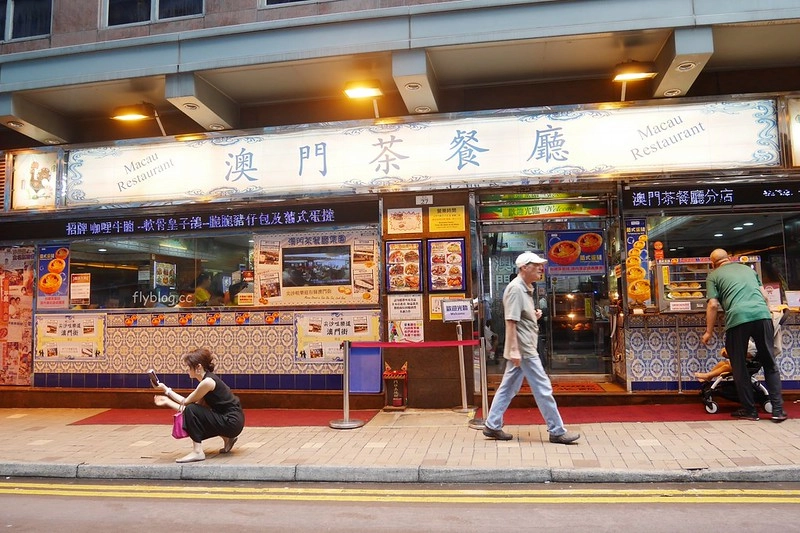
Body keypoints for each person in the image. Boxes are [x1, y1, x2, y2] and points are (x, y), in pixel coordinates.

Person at [482, 251, 580, 444]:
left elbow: (519, 318)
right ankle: (557, 430)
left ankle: (492, 425)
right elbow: (510, 321)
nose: (540, 268)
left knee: (508, 387)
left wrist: (532, 317)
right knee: (543, 387)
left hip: (523, 345)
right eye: (536, 265)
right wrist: (513, 349)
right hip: (524, 347)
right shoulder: (516, 289)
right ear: (524, 267)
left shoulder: (525, 288)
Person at [701, 248, 787, 422]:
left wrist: (708, 331)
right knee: (770, 363)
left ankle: (750, 411)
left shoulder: (713, 276)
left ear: (713, 263)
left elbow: (712, 305)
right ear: (729, 259)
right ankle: (778, 410)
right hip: (762, 316)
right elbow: (764, 296)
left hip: (738, 319)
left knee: (739, 367)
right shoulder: (749, 270)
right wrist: (765, 312)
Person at [154, 348, 245, 463]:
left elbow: (186, 403)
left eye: (189, 367)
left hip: (232, 422)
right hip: (233, 422)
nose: (187, 370)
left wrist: (166, 392)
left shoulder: (207, 382)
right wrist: (166, 397)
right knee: (193, 413)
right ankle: (228, 438)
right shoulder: (207, 380)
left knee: (192, 410)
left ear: (198, 367)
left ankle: (197, 452)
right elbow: (189, 411)